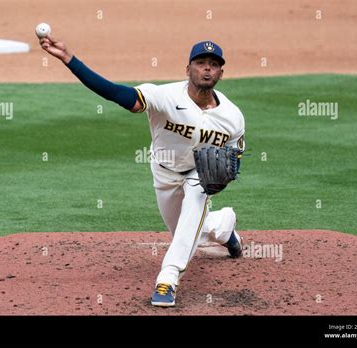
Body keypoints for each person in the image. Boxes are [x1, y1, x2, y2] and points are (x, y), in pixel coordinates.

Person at [39, 35, 245, 307]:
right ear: (188, 69)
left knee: (194, 207)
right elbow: (116, 93)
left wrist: (224, 179)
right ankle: (223, 227)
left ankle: (167, 279)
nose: (207, 68)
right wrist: (69, 59)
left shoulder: (232, 116)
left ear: (221, 73)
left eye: (214, 64)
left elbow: (234, 155)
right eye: (201, 62)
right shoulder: (165, 96)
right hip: (164, 173)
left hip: (198, 176)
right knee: (186, 232)